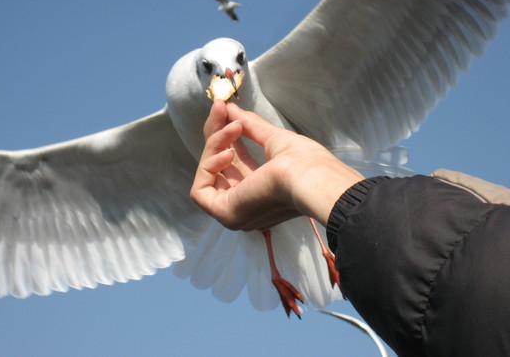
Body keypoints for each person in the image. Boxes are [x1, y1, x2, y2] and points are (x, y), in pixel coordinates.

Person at [190, 101, 510, 357]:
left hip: (386, 236)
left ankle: (331, 256)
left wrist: (314, 180)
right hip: (399, 236)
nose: (228, 73)